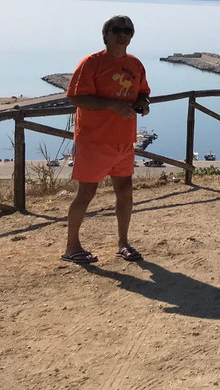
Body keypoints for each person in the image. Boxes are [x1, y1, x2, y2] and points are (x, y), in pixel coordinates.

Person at [61, 15, 151, 265]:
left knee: (125, 191)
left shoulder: (135, 64)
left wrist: (143, 103)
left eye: (128, 30)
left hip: (123, 141)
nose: (124, 34)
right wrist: (111, 105)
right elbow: (77, 98)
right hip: (94, 141)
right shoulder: (91, 63)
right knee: (86, 194)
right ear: (106, 35)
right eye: (117, 29)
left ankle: (123, 243)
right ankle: (72, 247)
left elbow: (143, 90)